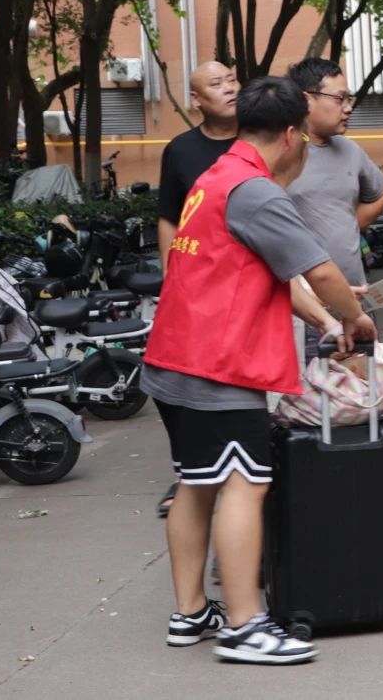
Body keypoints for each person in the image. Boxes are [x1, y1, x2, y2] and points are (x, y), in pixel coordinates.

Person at [143, 76, 377, 665]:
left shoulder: (216, 177)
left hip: (177, 359)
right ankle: (245, 627)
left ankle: (190, 612)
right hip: (217, 366)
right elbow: (319, 272)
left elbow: (275, 274)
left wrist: (325, 317)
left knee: (197, 485)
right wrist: (354, 320)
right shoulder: (256, 192)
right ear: (293, 136)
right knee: (246, 484)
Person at [154, 60, 240, 518]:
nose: (229, 88)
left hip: (248, 286)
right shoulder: (181, 150)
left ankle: (241, 471)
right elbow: (169, 217)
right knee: (184, 384)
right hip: (197, 291)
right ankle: (192, 471)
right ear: (196, 100)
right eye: (216, 84)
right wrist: (172, 277)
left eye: (232, 79)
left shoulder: (258, 141)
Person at [285, 58, 383, 355]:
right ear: (307, 99)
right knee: (310, 383)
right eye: (340, 98)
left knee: (361, 382)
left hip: (355, 303)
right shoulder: (282, 154)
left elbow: (381, 192)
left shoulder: (350, 149)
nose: (348, 107)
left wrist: (349, 225)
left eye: (349, 98)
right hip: (304, 308)